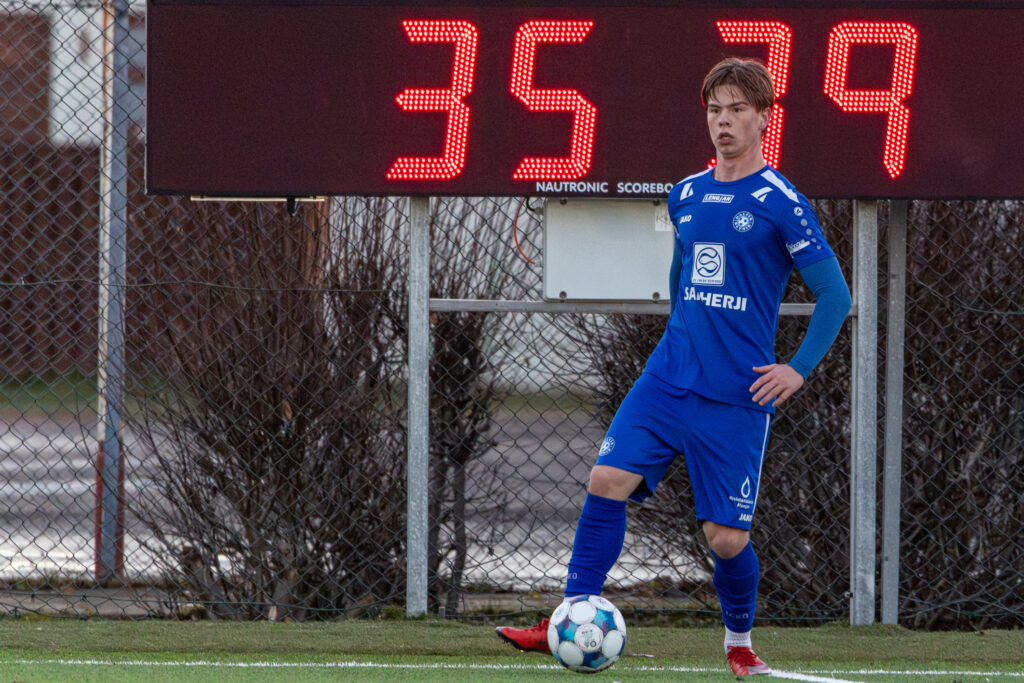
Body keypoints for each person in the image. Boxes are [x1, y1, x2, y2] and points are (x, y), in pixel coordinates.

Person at [495, 57, 853, 676]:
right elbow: (680, 280)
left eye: (737, 110)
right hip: (667, 379)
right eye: (715, 110)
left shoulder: (781, 203)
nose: (723, 121)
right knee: (606, 480)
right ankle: (567, 617)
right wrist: (680, 344)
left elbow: (836, 296)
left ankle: (739, 644)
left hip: (736, 396)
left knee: (726, 539)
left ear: (763, 118)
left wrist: (796, 369)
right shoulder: (686, 194)